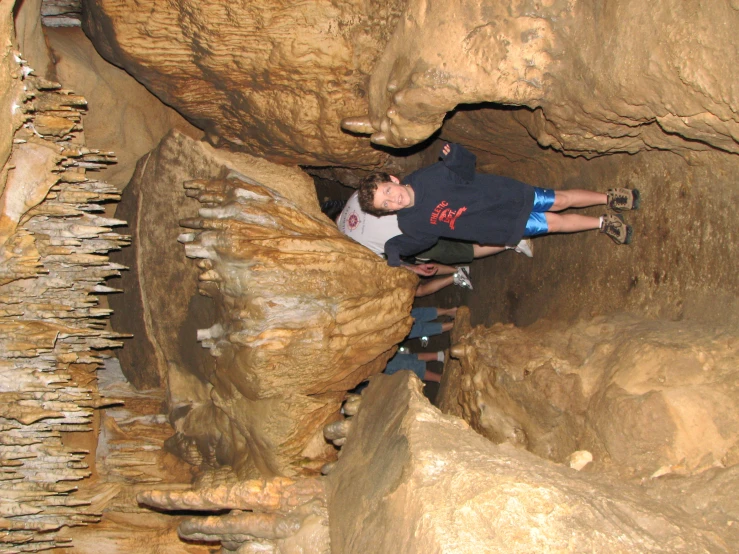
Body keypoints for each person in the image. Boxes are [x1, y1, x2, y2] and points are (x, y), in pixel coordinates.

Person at [357, 143, 639, 268]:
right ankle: (603, 223)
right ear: (388, 212)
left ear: (393, 179)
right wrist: (393, 253)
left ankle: (608, 197)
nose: (393, 199)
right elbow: (415, 243)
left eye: (388, 191)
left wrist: (455, 156)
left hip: (503, 195)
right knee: (554, 223)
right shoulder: (411, 224)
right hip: (496, 226)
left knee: (560, 200)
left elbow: (466, 169)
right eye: (387, 204)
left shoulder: (429, 177)